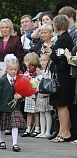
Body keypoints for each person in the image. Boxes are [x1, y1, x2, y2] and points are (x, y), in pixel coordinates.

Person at [0, 54, 26, 152]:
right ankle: (2, 141)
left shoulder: (19, 79)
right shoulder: (3, 80)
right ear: (6, 69)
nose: (13, 72)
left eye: (15, 70)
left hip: (15, 106)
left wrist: (21, 96)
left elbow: (23, 91)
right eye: (11, 70)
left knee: (15, 125)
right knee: (3, 125)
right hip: (4, 106)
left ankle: (15, 143)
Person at [49, 15, 73, 143]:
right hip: (61, 74)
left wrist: (50, 52)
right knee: (59, 105)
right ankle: (61, 131)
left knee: (62, 104)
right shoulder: (63, 38)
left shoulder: (63, 39)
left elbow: (55, 56)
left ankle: (65, 132)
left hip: (63, 75)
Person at [21, 52, 40, 137]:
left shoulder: (36, 71)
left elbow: (39, 80)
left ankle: (37, 128)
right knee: (29, 112)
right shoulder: (27, 71)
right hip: (28, 93)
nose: (24, 62)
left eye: (26, 60)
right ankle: (28, 128)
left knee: (36, 112)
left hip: (35, 93)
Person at [35, 53, 53, 138]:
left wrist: (40, 76)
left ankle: (48, 131)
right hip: (40, 94)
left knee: (47, 113)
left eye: (44, 60)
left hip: (46, 95)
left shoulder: (49, 71)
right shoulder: (41, 71)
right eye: (41, 60)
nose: (42, 62)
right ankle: (42, 131)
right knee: (41, 113)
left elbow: (46, 82)